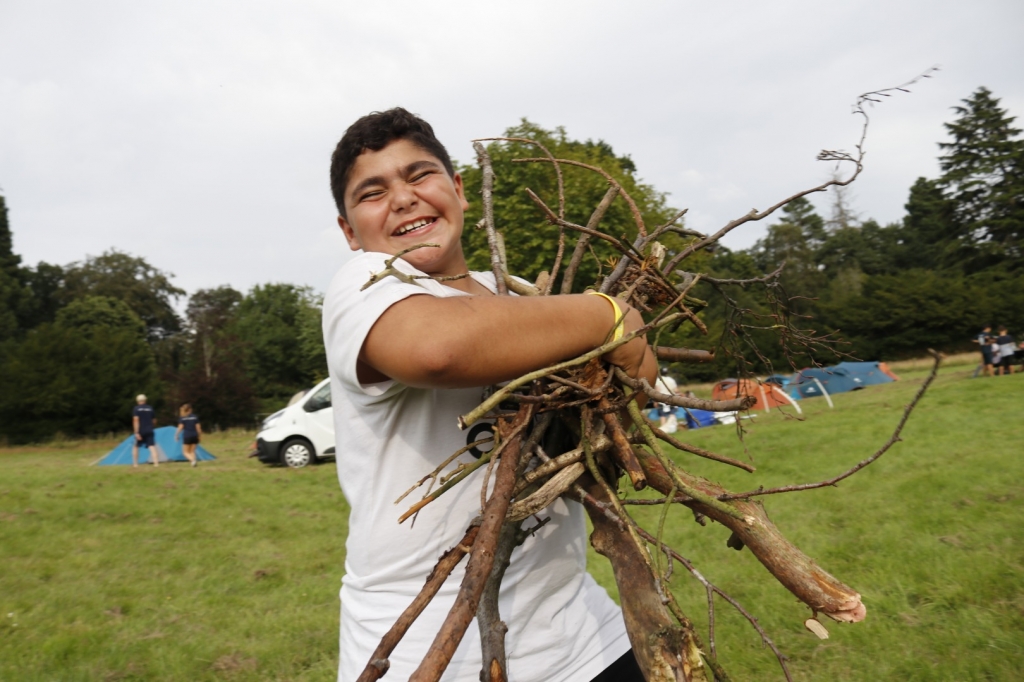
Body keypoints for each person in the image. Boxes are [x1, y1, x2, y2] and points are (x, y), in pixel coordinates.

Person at [323, 108, 656, 682]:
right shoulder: (365, 285)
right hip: (423, 644)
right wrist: (610, 312)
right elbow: (436, 349)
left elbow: (632, 390)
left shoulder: (518, 300)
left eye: (419, 175)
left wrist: (622, 364)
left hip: (577, 635)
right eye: (372, 192)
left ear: (458, 190)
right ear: (350, 232)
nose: (403, 198)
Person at [131, 394, 164, 467]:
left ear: (137, 401)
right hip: (149, 429)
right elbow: (154, 420)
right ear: (145, 400)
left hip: (140, 430)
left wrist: (136, 432)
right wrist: (151, 427)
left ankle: (135, 464)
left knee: (136, 446)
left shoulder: (136, 409)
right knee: (152, 446)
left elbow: (136, 420)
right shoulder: (150, 408)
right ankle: (156, 463)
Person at [174, 403, 202, 467]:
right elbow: (198, 428)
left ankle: (193, 461)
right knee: (192, 451)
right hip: (194, 435)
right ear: (190, 409)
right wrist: (199, 436)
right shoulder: (195, 417)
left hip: (187, 436)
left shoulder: (183, 418)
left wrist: (176, 434)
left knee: (185, 452)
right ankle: (193, 464)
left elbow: (180, 427)